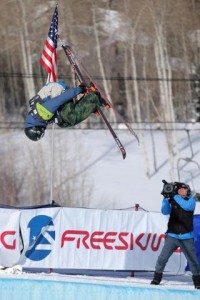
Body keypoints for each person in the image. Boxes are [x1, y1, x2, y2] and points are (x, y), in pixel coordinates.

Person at [151, 181, 200, 289]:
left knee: (193, 261)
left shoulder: (191, 201)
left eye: (185, 189)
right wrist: (165, 199)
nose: (183, 190)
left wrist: (174, 196)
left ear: (188, 190)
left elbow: (186, 206)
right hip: (172, 236)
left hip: (186, 237)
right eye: (180, 189)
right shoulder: (173, 200)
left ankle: (197, 282)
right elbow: (164, 211)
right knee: (162, 258)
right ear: (177, 190)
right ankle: (156, 278)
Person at [24, 81, 106, 141]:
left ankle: (94, 97)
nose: (43, 131)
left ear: (35, 129)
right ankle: (88, 105)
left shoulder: (42, 113)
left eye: (41, 133)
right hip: (55, 94)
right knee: (63, 123)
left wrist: (79, 89)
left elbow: (59, 100)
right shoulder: (37, 118)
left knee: (70, 117)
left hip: (60, 90)